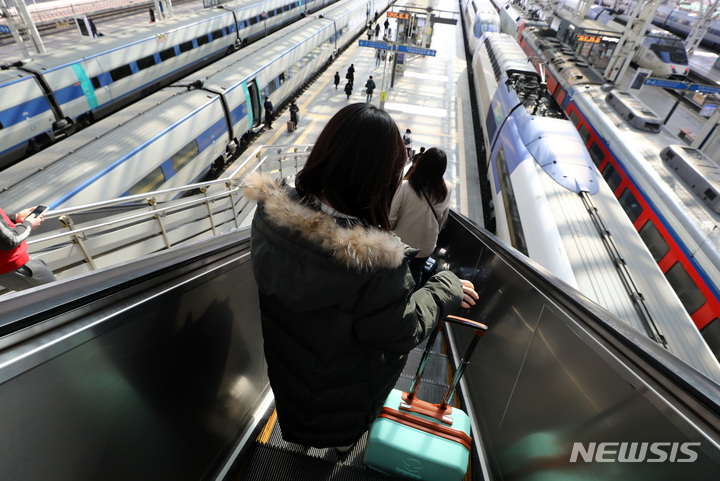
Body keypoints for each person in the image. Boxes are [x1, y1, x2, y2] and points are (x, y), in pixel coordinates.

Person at [243, 103, 478, 451]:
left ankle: (299, 444)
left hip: (287, 373)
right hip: (344, 397)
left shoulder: (268, 217)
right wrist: (446, 288)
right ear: (380, 180)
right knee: (339, 434)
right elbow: (401, 330)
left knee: (299, 412)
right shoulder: (376, 265)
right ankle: (340, 448)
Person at [390, 148, 452, 287]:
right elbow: (443, 219)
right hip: (426, 245)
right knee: (416, 273)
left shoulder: (405, 186)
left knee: (394, 272)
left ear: (422, 163)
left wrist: (391, 231)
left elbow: (391, 217)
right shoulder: (447, 188)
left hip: (401, 243)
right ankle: (411, 296)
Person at [0, 206, 56, 291]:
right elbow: (10, 241)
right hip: (16, 265)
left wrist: (15, 217)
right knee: (56, 292)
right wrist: (29, 224)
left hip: (9, 268)